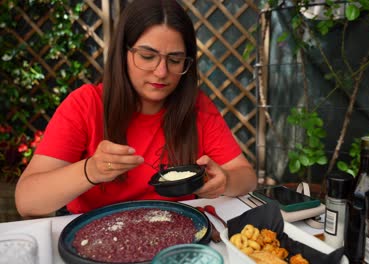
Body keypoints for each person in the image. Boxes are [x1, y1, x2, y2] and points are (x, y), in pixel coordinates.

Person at [15, 0, 257, 217]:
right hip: (94, 237)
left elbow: (247, 178)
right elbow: (27, 201)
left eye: (174, 60)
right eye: (147, 56)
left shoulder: (196, 106)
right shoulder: (85, 104)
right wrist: (90, 170)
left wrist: (225, 181)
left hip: (177, 235)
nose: (161, 72)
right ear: (123, 53)